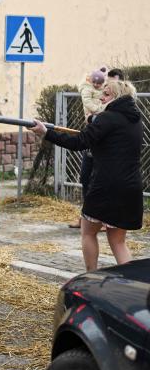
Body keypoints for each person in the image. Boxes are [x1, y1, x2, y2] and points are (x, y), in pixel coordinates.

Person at [29, 80, 143, 271]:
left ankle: (91, 277)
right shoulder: (134, 119)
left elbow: (79, 142)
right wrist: (93, 120)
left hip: (106, 186)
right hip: (130, 186)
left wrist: (46, 133)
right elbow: (103, 131)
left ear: (116, 97)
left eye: (106, 94)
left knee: (88, 233)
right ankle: (134, 285)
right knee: (118, 242)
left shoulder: (108, 118)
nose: (101, 96)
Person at [70, 68, 107, 228]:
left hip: (102, 145)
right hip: (91, 137)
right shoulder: (88, 91)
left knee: (100, 181)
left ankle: (105, 219)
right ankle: (86, 217)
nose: (102, 93)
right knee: (85, 178)